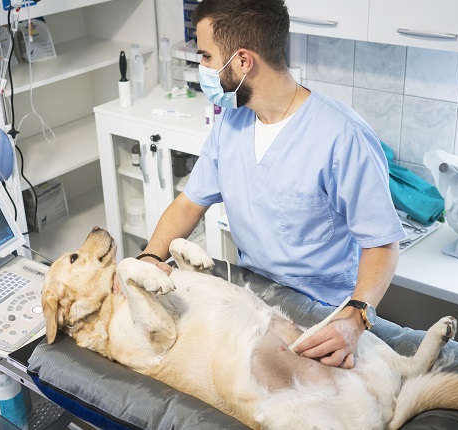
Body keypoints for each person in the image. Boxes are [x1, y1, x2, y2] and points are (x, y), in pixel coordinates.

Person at [137, 0, 405, 369]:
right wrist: (151, 257)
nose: (202, 68)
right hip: (252, 298)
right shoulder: (230, 125)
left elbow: (382, 244)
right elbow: (188, 203)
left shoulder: (342, 137)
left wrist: (357, 316)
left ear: (243, 61)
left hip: (321, 312)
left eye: (206, 57)